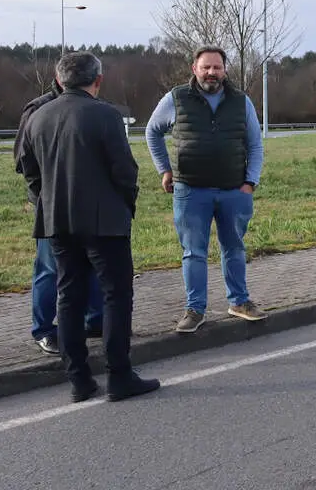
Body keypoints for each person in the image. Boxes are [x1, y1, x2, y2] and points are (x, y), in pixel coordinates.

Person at [17, 52, 160, 402]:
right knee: (115, 295)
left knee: (69, 297)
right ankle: (119, 375)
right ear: (98, 80)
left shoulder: (37, 117)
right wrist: (126, 204)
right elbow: (124, 170)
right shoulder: (105, 114)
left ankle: (79, 379)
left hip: (57, 221)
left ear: (59, 78)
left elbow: (30, 172)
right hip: (104, 221)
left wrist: (46, 202)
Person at [145, 46, 267, 333]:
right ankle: (195, 309)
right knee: (193, 252)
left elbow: (255, 144)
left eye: (217, 67)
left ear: (225, 70)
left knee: (234, 248)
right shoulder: (175, 98)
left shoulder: (241, 102)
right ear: (194, 69)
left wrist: (250, 182)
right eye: (206, 67)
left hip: (233, 191)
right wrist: (164, 170)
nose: (211, 72)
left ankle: (239, 301)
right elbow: (152, 131)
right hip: (190, 191)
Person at [14, 75, 103, 355]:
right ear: (60, 78)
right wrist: (44, 195)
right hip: (52, 206)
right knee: (51, 269)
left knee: (92, 263)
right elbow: (23, 160)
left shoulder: (94, 106)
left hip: (91, 204)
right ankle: (44, 329)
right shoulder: (38, 109)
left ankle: (95, 321)